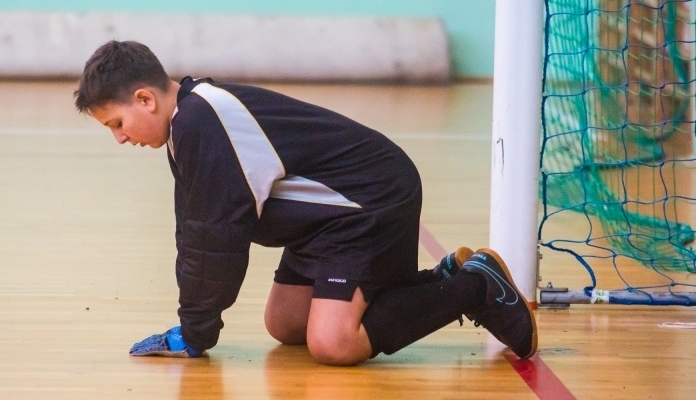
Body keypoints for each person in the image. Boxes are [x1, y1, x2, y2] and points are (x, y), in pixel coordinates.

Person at [74, 40, 538, 366]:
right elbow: (196, 230)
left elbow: (216, 241)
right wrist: (196, 323)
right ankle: (444, 279)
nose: (120, 139)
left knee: (333, 343)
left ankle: (478, 286)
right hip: (321, 225)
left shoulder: (200, 122)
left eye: (117, 124)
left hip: (367, 204)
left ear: (145, 99)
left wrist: (194, 333)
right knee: (285, 325)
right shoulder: (188, 124)